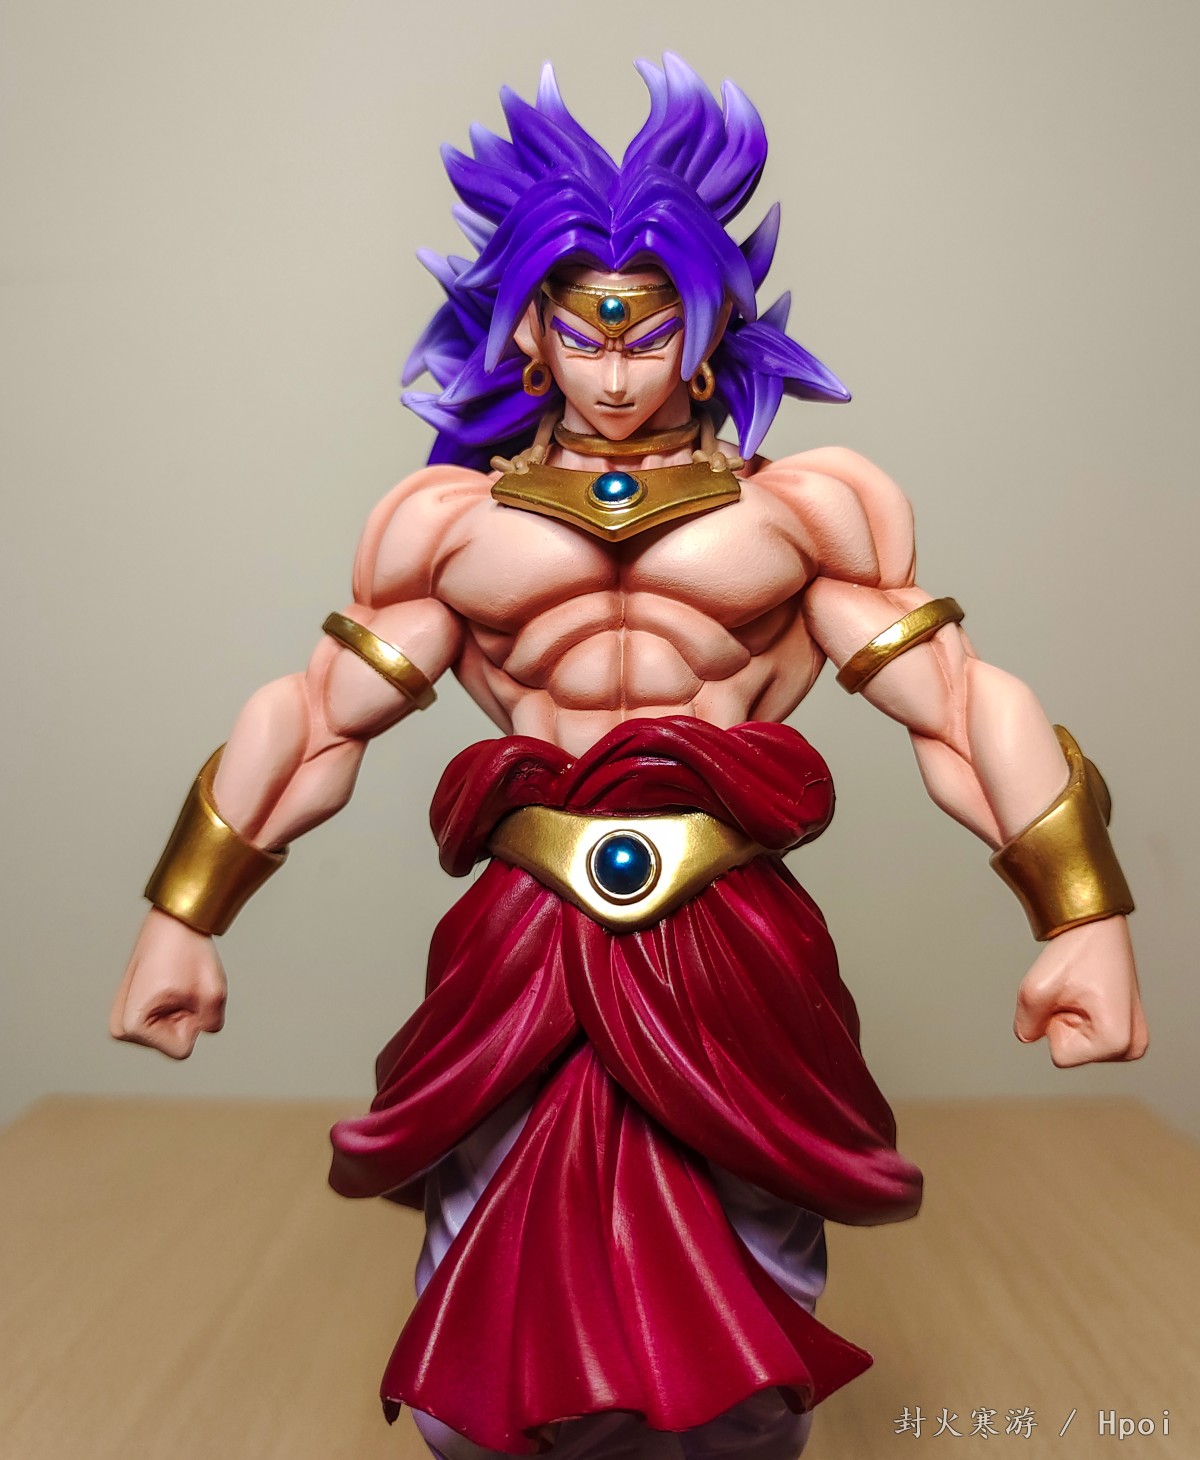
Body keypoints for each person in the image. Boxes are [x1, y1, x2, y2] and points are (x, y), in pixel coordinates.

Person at [111, 56, 1146, 1460]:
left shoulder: (806, 513)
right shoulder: (448, 527)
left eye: (649, 333)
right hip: (523, 946)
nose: (613, 373)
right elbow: (313, 719)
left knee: (743, 1338)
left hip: (729, 944)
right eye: (583, 333)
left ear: (706, 336)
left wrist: (1082, 915)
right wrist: (184, 914)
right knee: (489, 1317)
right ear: (531, 335)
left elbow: (961, 708)